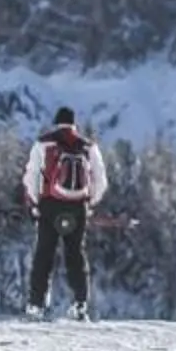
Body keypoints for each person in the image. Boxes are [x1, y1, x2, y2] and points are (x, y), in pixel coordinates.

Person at [19, 107, 109, 320]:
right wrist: (90, 202)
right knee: (75, 255)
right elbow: (101, 181)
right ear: (73, 123)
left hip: (50, 206)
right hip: (77, 207)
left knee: (44, 255)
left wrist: (34, 203)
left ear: (56, 122)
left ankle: (36, 305)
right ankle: (80, 304)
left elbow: (30, 176)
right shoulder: (88, 146)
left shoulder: (43, 143)